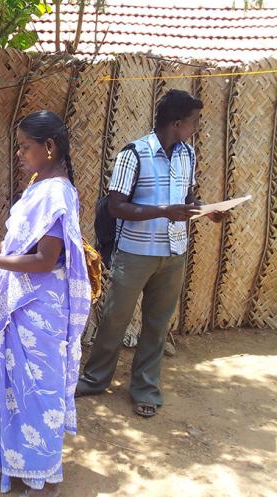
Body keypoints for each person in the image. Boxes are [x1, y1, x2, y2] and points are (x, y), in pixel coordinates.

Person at [0, 111, 91, 496]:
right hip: (25, 308)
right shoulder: (39, 184)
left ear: (49, 147)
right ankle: (16, 458)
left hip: (40, 311)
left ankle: (43, 479)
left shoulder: (56, 193)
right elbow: (16, 246)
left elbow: (44, 260)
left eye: (26, 146)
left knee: (37, 391)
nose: (21, 153)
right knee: (17, 387)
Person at [76, 89, 225, 417]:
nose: (197, 126)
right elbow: (116, 207)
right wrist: (163, 211)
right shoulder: (135, 154)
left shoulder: (187, 154)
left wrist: (207, 210)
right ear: (176, 123)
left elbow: (187, 199)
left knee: (157, 324)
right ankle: (94, 378)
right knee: (115, 319)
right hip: (135, 253)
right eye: (193, 121)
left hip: (174, 252)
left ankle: (145, 387)